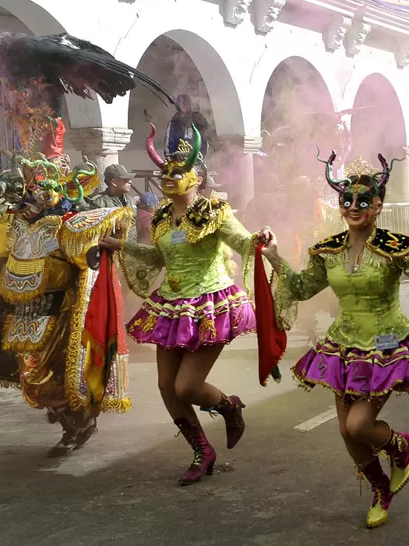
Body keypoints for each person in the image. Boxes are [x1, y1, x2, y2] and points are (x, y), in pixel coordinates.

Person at [257, 151, 409, 529]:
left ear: (378, 206)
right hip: (344, 347)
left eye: (363, 201)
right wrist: (274, 257)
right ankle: (380, 488)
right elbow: (301, 288)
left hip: (386, 345)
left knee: (358, 426)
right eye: (346, 201)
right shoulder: (328, 250)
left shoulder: (394, 246)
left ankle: (399, 447)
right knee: (344, 430)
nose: (353, 206)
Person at [100, 125, 255, 486]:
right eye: (165, 172)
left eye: (178, 171)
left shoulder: (214, 211)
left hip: (211, 304)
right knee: (166, 387)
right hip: (171, 305)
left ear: (197, 178)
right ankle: (202, 450)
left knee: (187, 387)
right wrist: (120, 247)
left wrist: (261, 241)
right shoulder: (160, 219)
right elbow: (159, 257)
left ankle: (229, 406)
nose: (169, 177)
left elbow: (242, 241)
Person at [0, 154, 132, 456]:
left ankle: (77, 422)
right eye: (27, 195)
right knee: (30, 378)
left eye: (38, 194)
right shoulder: (15, 226)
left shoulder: (63, 226)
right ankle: (71, 420)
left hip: (58, 313)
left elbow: (85, 250)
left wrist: (92, 252)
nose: (30, 202)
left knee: (50, 375)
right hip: (23, 312)